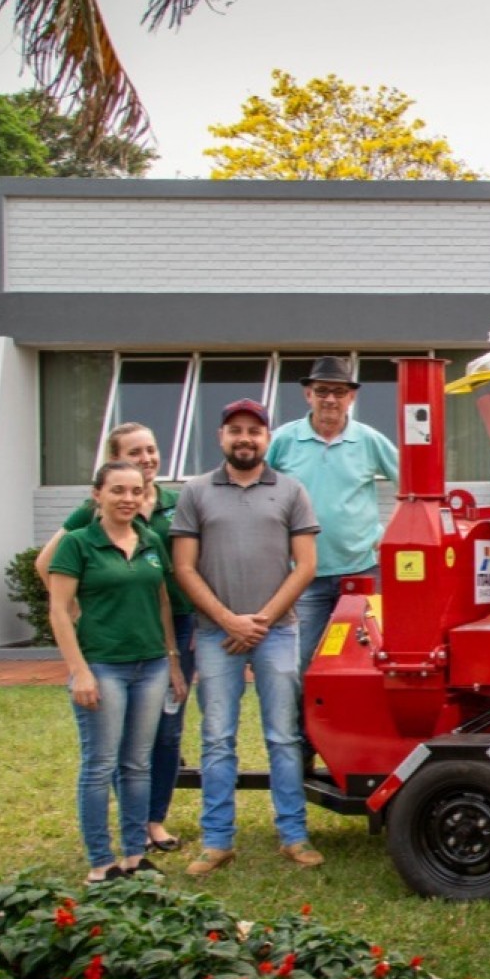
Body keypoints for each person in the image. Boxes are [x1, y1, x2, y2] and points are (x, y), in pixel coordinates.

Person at [169, 399, 324, 875]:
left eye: (253, 432)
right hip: (217, 635)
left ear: (266, 438)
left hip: (278, 632)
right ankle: (217, 841)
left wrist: (259, 620)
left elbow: (307, 565)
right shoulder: (195, 492)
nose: (244, 439)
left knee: (283, 736)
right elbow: (183, 568)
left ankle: (293, 835)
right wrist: (228, 621)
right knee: (217, 739)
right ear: (221, 437)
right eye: (235, 430)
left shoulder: (291, 490)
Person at [36, 423, 193, 854]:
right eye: (134, 452)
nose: (146, 459)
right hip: (112, 644)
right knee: (107, 751)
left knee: (162, 737)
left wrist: (175, 652)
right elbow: (47, 567)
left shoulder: (174, 506)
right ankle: (108, 851)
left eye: (151, 449)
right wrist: (84, 612)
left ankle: (149, 825)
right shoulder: (91, 521)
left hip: (168, 633)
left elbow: (173, 580)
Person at [265, 356, 399, 670]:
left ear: (352, 397)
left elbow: (413, 483)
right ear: (307, 394)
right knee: (300, 661)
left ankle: (357, 721)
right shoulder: (284, 440)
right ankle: (300, 722)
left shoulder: (369, 440)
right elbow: (257, 491)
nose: (330, 399)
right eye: (322, 390)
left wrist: (391, 533)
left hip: (362, 572)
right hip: (301, 576)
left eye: (339, 392)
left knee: (366, 659)